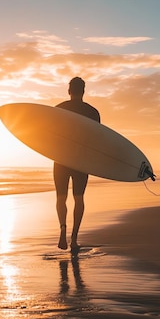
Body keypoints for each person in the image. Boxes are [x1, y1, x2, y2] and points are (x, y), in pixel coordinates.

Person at [54, 77, 100, 251]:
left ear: (69, 91)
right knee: (78, 198)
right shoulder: (93, 112)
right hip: (81, 161)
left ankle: (62, 229)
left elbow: (50, 135)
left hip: (61, 159)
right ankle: (74, 239)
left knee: (60, 198)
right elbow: (96, 140)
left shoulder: (58, 110)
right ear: (84, 91)